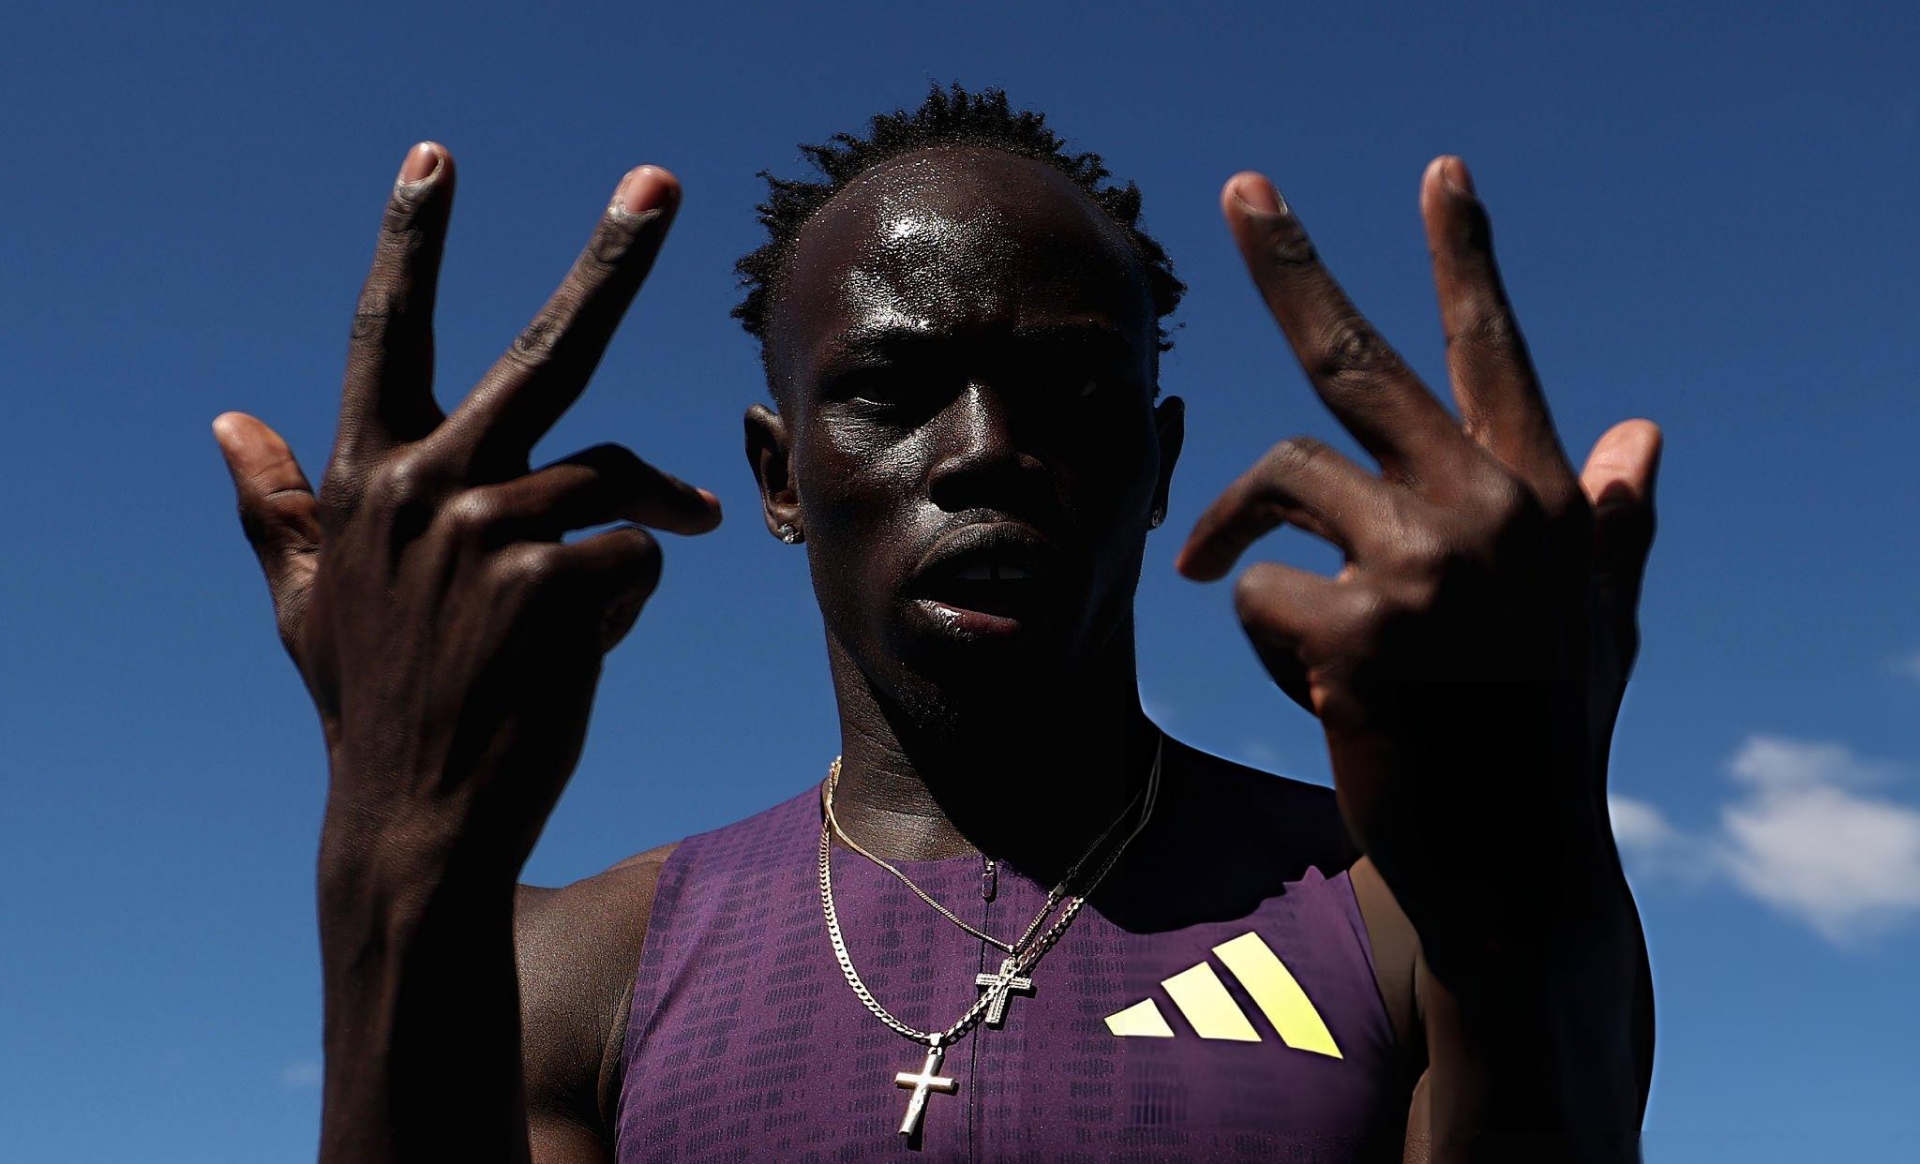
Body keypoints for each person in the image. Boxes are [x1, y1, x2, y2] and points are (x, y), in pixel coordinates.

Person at [212, 85, 1660, 1162]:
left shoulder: (1397, 913)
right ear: (781, 476)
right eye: (893, 393)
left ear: (1157, 465)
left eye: (1070, 394)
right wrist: (396, 837)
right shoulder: (582, 971)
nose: (985, 452)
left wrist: (1532, 867)